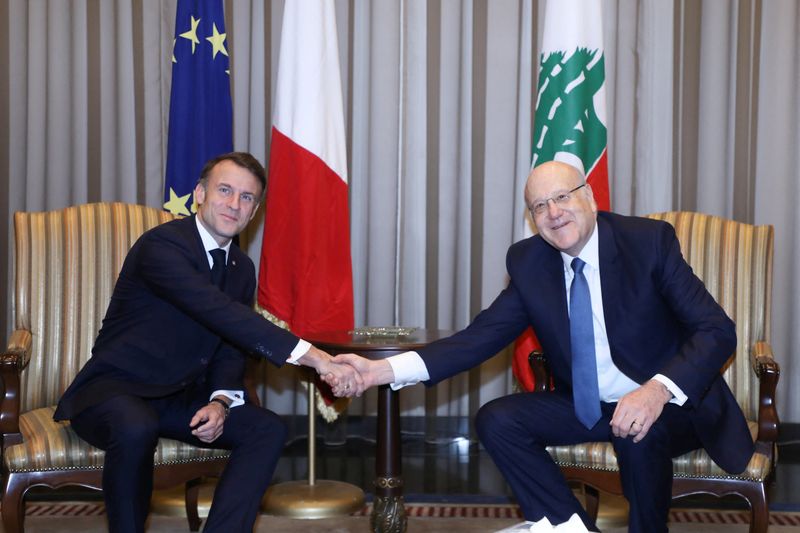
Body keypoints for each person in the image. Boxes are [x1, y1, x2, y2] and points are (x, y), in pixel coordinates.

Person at [332, 161, 753, 533]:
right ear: (532, 218)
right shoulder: (531, 262)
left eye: (562, 197)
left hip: (671, 405)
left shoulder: (647, 243)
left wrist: (656, 391)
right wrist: (377, 373)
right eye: (539, 206)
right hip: (590, 405)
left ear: (588, 197)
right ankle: (571, 527)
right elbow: (478, 338)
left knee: (635, 430)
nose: (553, 213)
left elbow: (716, 330)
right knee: (497, 419)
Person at [54, 152, 363, 533]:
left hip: (179, 397)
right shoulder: (162, 246)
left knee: (267, 429)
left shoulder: (241, 269)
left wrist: (220, 401)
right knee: (136, 426)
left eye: (247, 198)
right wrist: (314, 357)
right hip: (115, 391)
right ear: (200, 193)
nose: (235, 204)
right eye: (225, 190)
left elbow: (230, 345)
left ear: (255, 212)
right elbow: (219, 312)